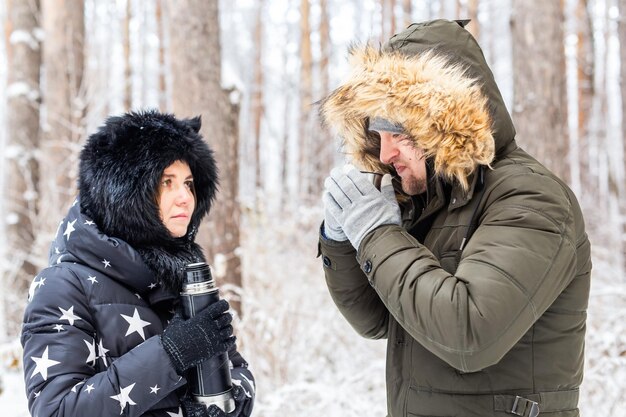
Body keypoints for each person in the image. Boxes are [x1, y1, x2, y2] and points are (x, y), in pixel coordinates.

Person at [319, 19, 591, 417]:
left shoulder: (532, 199)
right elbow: (377, 319)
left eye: (401, 134)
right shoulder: (434, 202)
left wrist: (376, 233)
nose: (385, 154)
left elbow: (469, 333)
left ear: (444, 124)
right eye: (379, 134)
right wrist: (341, 237)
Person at [21, 110, 255, 417]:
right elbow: (57, 410)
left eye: (188, 183)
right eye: (166, 182)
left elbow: (238, 373)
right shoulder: (62, 286)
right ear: (126, 194)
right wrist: (171, 354)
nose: (185, 196)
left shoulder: (182, 278)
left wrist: (228, 399)